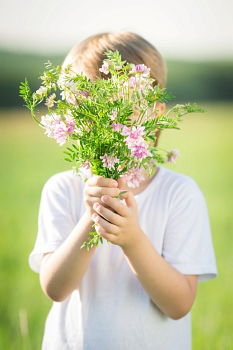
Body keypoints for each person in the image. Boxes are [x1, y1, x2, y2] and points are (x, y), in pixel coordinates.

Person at [29, 32, 218, 350]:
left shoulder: (179, 193)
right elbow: (55, 289)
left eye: (121, 102)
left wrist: (132, 239)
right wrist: (91, 218)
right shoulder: (63, 188)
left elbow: (179, 304)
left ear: (154, 112)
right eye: (90, 106)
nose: (106, 117)